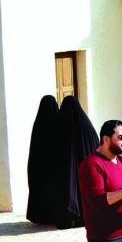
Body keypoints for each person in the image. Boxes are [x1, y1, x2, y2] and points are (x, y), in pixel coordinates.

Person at [56, 95, 99, 229]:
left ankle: (70, 216)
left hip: (66, 171)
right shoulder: (87, 127)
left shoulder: (60, 128)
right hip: (86, 169)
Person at [26, 95, 60, 225]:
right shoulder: (59, 125)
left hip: (39, 167)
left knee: (41, 191)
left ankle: (41, 215)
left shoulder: (39, 124)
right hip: (55, 168)